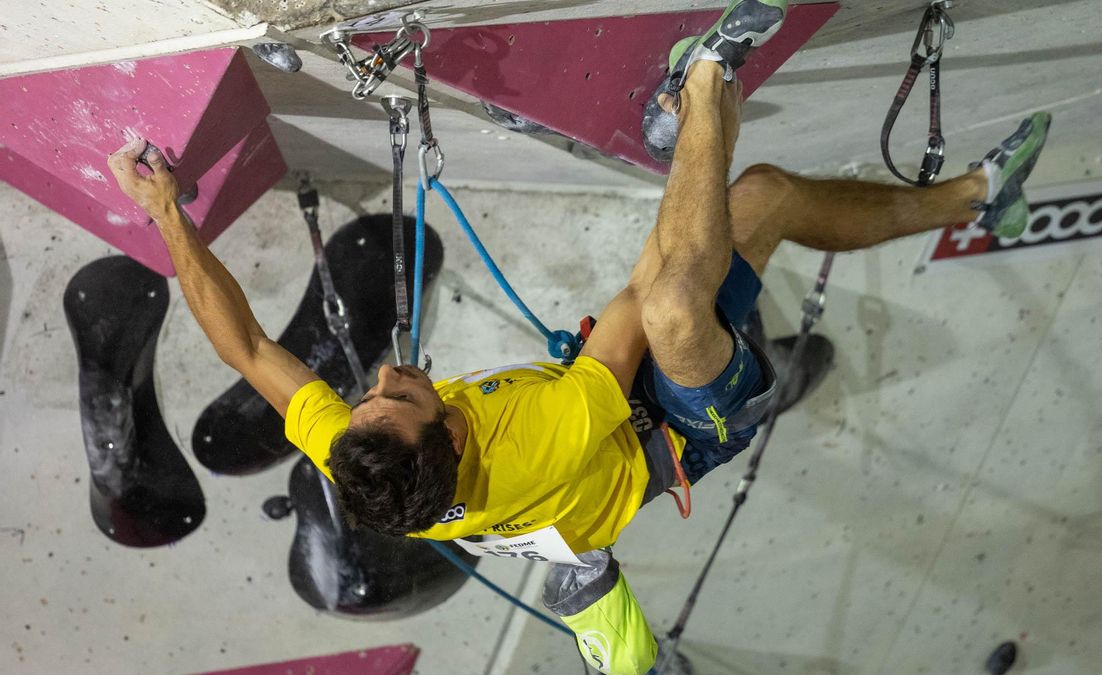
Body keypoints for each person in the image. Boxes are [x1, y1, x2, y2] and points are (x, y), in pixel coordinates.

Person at [107, 3, 1050, 671]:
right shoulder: (525, 446)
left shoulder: (366, 454)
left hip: (605, 420)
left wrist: (167, 218)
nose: (384, 379)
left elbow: (246, 351)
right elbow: (640, 306)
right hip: (685, 428)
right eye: (400, 395)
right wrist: (695, 134)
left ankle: (976, 196)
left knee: (762, 196)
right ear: (457, 434)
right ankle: (709, 69)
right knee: (682, 300)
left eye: (367, 399)